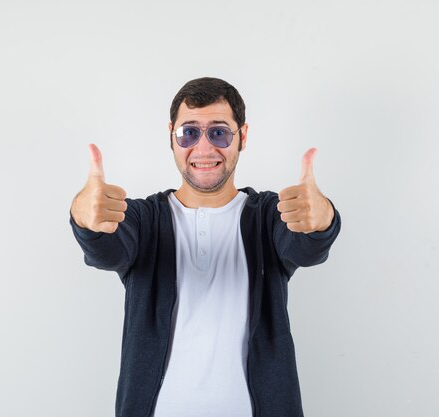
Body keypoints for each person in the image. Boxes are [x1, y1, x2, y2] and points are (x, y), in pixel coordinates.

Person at [69, 77, 341, 417]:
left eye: (219, 132)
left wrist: (322, 219)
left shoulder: (269, 217)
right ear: (171, 136)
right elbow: (104, 248)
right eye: (189, 133)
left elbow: (306, 246)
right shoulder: (142, 220)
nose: (203, 149)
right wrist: (83, 216)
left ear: (242, 136)